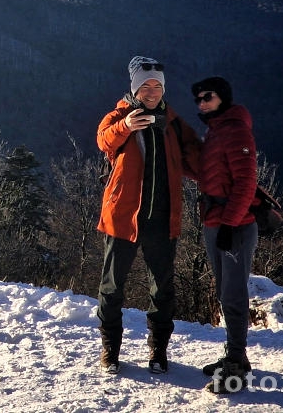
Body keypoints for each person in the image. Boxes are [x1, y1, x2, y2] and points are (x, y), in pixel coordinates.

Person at [95, 56, 201, 375]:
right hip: (124, 218)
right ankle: (110, 350)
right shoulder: (121, 115)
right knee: (112, 287)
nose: (152, 91)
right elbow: (103, 140)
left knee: (162, 288)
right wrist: (125, 126)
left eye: (157, 85)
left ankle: (158, 350)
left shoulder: (172, 121)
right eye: (146, 86)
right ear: (135, 88)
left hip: (162, 219)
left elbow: (196, 155)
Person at [192, 76, 259, 393]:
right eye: (199, 99)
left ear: (224, 98)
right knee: (224, 291)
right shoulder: (216, 130)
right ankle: (236, 356)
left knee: (233, 294)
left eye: (208, 97)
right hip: (215, 221)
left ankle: (235, 367)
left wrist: (230, 225)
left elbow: (246, 183)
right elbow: (210, 174)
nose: (202, 103)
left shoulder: (235, 131)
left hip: (235, 224)